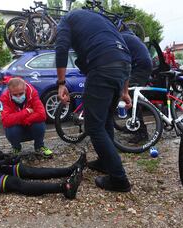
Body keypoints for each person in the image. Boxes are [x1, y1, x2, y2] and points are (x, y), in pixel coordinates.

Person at [55, 9, 132, 192]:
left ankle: (119, 179)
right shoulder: (101, 20)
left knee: (93, 126)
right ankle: (106, 163)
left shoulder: (66, 20)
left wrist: (61, 83)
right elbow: (123, 52)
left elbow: (61, 48)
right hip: (122, 66)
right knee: (105, 120)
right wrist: (125, 90)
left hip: (102, 66)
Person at [0, 95, 85, 199]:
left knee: (25, 170)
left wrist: (6, 157)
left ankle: (70, 170)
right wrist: (2, 163)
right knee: (14, 182)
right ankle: (65, 188)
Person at [0, 77, 53, 158]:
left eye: (21, 93)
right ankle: (16, 148)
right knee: (10, 128)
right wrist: (27, 111)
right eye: (15, 94)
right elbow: (6, 121)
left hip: (30, 126)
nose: (18, 96)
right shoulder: (5, 97)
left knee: (39, 124)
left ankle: (39, 146)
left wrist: (22, 119)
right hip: (17, 129)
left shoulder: (33, 93)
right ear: (9, 92)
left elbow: (42, 114)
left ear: (25, 89)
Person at [120, 27, 153, 143]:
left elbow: (122, 59)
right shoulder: (128, 36)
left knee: (130, 94)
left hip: (140, 66)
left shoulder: (121, 38)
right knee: (126, 93)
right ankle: (134, 125)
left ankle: (142, 133)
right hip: (141, 64)